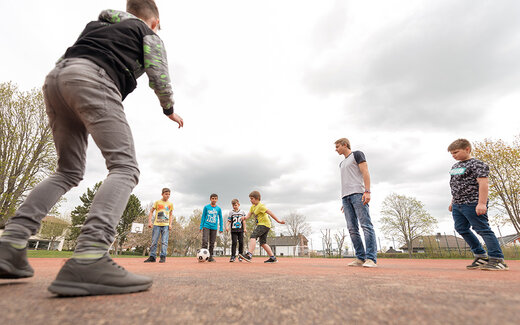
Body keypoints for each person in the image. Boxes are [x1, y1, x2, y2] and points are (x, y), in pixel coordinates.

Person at [0, 0, 183, 296]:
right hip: (94, 80)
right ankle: (90, 255)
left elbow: (66, 59)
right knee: (124, 167)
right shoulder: (147, 32)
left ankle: (11, 243)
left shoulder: (97, 26)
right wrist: (169, 109)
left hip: (58, 80)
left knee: (68, 171)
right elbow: (158, 72)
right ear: (154, 21)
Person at [448, 139, 508, 271]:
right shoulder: (455, 167)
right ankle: (480, 256)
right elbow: (455, 185)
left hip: (473, 203)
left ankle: (497, 259)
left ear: (467, 149)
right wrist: (452, 202)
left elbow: (483, 184)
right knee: (461, 228)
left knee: (482, 229)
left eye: (456, 152)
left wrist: (481, 203)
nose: (453, 155)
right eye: (452, 153)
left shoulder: (477, 164)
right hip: (458, 204)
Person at [335, 138, 377, 268]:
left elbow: (365, 171)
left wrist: (367, 191)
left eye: (337, 146)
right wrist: (344, 200)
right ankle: (360, 257)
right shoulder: (341, 164)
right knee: (352, 229)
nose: (335, 149)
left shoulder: (357, 154)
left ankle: (371, 258)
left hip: (358, 194)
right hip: (346, 198)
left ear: (344, 145)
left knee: (366, 225)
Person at [239, 191, 285, 263]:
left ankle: (249, 255)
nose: (250, 200)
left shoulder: (261, 206)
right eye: (250, 199)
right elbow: (248, 215)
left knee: (253, 236)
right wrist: (244, 218)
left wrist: (278, 221)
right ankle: (273, 258)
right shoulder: (253, 207)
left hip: (264, 224)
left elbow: (270, 212)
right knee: (263, 243)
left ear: (257, 198)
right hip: (263, 225)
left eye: (252, 198)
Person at [144, 188, 174, 263]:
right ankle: (152, 257)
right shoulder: (157, 202)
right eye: (166, 194)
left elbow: (171, 215)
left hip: (166, 225)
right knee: (154, 241)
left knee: (164, 241)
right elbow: (151, 212)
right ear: (162, 194)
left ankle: (163, 257)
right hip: (157, 224)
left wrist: (170, 224)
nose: (168, 196)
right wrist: (150, 222)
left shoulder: (170, 204)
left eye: (169, 194)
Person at [199, 194, 223, 262]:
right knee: (205, 241)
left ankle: (210, 257)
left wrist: (221, 228)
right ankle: (203, 256)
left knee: (212, 243)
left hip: (214, 227)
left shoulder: (218, 209)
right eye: (213, 198)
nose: (214, 200)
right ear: (210, 199)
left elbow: (220, 218)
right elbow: (203, 217)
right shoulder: (206, 207)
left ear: (217, 199)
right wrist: (201, 226)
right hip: (206, 226)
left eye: (215, 198)